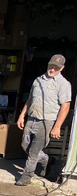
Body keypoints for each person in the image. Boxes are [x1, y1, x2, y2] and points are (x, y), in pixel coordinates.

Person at [15, 54, 72, 186]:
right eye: (51, 65)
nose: (52, 69)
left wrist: (57, 126)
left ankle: (26, 176)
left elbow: (65, 106)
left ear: (62, 68)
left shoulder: (63, 84)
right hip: (32, 117)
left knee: (34, 150)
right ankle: (47, 160)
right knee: (25, 145)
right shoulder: (38, 80)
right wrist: (22, 115)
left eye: (56, 68)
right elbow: (30, 99)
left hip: (47, 121)